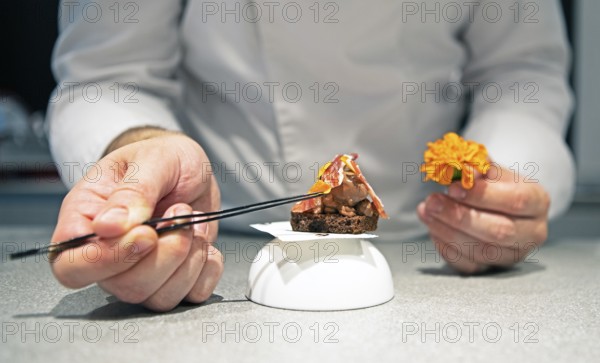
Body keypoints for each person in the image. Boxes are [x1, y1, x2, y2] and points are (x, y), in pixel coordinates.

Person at [47, 0, 575, 311]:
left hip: (432, 248)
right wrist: (142, 156)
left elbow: (523, 74)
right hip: (210, 233)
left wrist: (503, 190)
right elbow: (105, 77)